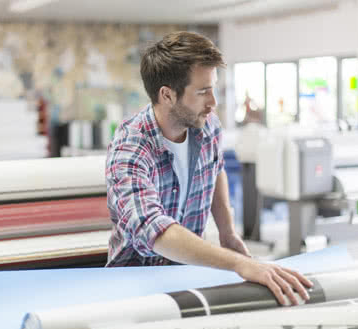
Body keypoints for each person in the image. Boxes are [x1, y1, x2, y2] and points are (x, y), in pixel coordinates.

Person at [105, 31, 312, 306]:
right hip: (134, 285)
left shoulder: (207, 125)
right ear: (167, 95)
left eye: (212, 88)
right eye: (202, 91)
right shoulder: (131, 147)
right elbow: (154, 229)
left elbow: (216, 170)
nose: (213, 102)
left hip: (189, 275)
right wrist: (238, 264)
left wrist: (227, 232)